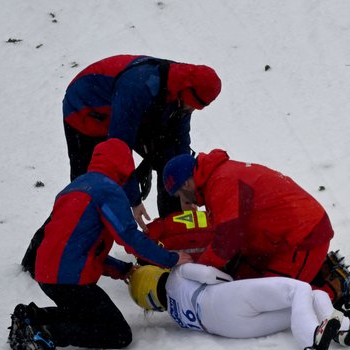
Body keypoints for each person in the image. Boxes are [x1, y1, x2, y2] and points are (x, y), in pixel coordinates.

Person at [20, 54, 221, 275]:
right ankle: (41, 255)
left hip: (133, 112)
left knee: (168, 163)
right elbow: (119, 146)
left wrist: (185, 189)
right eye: (192, 106)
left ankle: (169, 243)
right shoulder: (139, 86)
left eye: (197, 108)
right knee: (87, 191)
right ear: (185, 90)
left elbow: (179, 141)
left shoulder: (181, 94)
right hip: (86, 113)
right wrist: (133, 200)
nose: (192, 111)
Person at [8, 139, 193, 350]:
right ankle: (48, 332)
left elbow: (81, 248)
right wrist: (171, 259)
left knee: (84, 316)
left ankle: (31, 319)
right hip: (70, 279)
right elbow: (129, 237)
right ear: (124, 165)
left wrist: (122, 269)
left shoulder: (72, 189)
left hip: (47, 273)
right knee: (117, 333)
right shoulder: (108, 190)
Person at [160, 149, 343, 302]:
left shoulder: (221, 183)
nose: (183, 201)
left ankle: (333, 288)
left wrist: (198, 271)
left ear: (186, 183)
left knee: (271, 300)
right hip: (280, 237)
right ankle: (316, 271)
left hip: (303, 237)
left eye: (180, 195)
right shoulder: (219, 177)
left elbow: (226, 241)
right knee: (240, 284)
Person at [128, 263, 350, 350]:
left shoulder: (174, 316)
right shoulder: (176, 274)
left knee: (313, 297)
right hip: (224, 298)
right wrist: (238, 285)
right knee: (298, 289)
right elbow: (212, 276)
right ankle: (311, 337)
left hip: (229, 328)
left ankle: (342, 330)